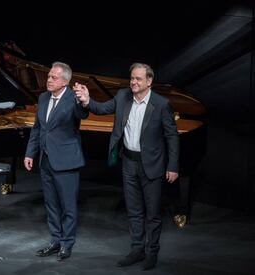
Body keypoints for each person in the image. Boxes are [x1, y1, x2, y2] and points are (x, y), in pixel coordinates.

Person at [74, 63, 179, 270]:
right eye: (132, 78)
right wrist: (86, 101)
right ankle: (137, 250)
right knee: (133, 210)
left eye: (138, 79)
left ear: (149, 81)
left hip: (152, 166)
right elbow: (102, 109)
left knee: (153, 213)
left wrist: (173, 166)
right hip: (129, 163)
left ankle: (152, 253)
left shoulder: (161, 104)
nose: (133, 82)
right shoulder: (123, 96)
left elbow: (172, 137)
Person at [24, 62, 88, 261]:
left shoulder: (73, 99)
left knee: (68, 205)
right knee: (51, 204)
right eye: (49, 76)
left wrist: (84, 101)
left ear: (65, 81)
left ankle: (67, 243)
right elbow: (37, 129)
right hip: (45, 160)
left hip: (66, 161)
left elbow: (83, 113)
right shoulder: (43, 97)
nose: (48, 80)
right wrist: (29, 153)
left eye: (53, 77)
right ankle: (55, 240)